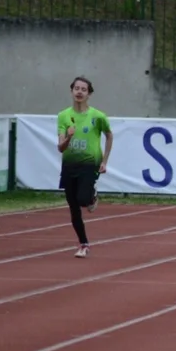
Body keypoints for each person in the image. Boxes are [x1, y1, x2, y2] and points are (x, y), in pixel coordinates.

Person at [56, 76, 113, 258]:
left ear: (89, 94)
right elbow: (60, 147)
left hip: (90, 163)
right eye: (76, 88)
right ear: (72, 91)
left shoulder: (98, 116)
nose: (79, 92)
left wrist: (104, 161)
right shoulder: (63, 116)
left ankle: (91, 197)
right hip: (70, 164)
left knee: (82, 199)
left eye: (84, 89)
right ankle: (83, 243)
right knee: (73, 207)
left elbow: (109, 135)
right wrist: (69, 137)